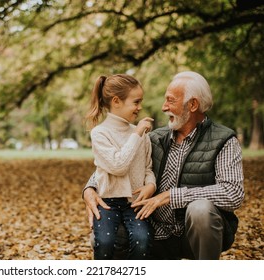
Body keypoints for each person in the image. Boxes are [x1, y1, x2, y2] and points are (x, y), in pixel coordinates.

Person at [83, 71, 245, 260]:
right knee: (102, 238)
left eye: (170, 101)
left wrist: (172, 196)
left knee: (200, 210)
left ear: (192, 105)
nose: (163, 107)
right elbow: (116, 163)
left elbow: (233, 194)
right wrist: (89, 188)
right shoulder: (153, 138)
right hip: (155, 230)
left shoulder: (223, 140)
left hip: (191, 235)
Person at [85, 74, 156, 260]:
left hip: (135, 203)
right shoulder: (100, 133)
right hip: (108, 202)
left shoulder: (142, 135)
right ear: (116, 101)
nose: (140, 107)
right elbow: (118, 166)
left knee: (143, 240)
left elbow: (148, 167)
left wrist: (151, 185)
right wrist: (137, 133)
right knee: (106, 243)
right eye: (136, 102)